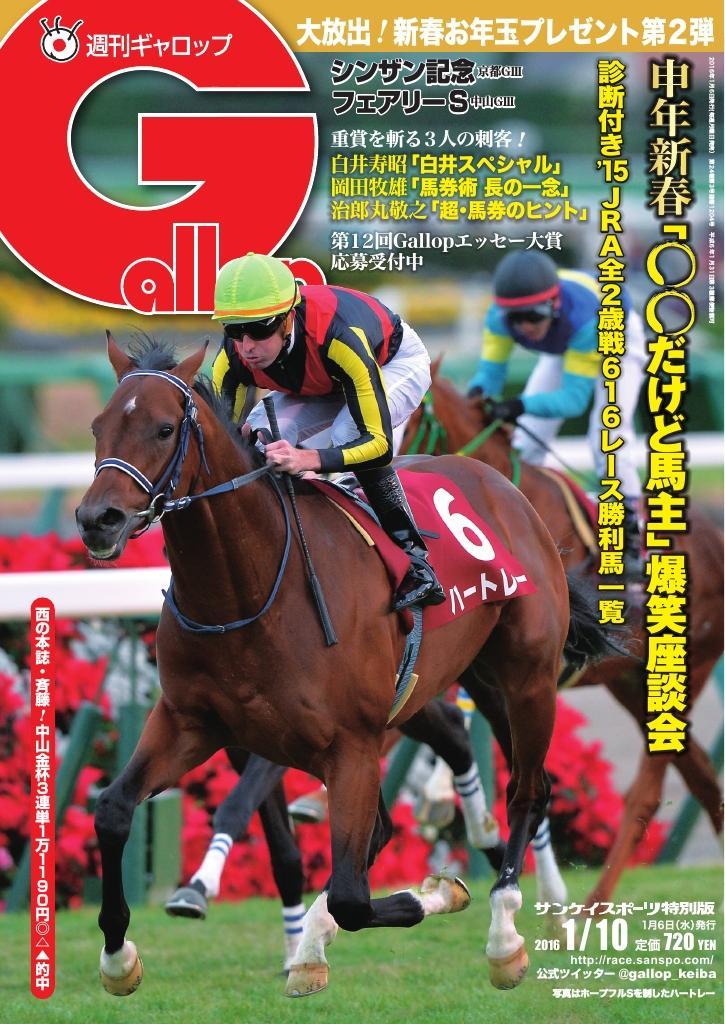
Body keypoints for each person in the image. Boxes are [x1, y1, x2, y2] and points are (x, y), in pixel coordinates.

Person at [211, 252, 445, 610]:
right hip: (323, 377)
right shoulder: (233, 356)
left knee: (348, 432)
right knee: (259, 435)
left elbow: (378, 445)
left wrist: (308, 458)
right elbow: (217, 443)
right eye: (233, 330)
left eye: (259, 329)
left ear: (289, 318)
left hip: (392, 363)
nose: (247, 346)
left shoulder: (338, 336)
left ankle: (415, 559)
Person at [468, 250, 646, 581]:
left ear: (553, 305)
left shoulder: (582, 321)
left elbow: (574, 401)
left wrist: (518, 405)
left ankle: (631, 535)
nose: (524, 326)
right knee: (526, 442)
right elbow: (488, 378)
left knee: (606, 436)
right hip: (565, 342)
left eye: (533, 316)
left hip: (612, 335)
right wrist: (476, 398)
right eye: (515, 318)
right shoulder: (497, 318)